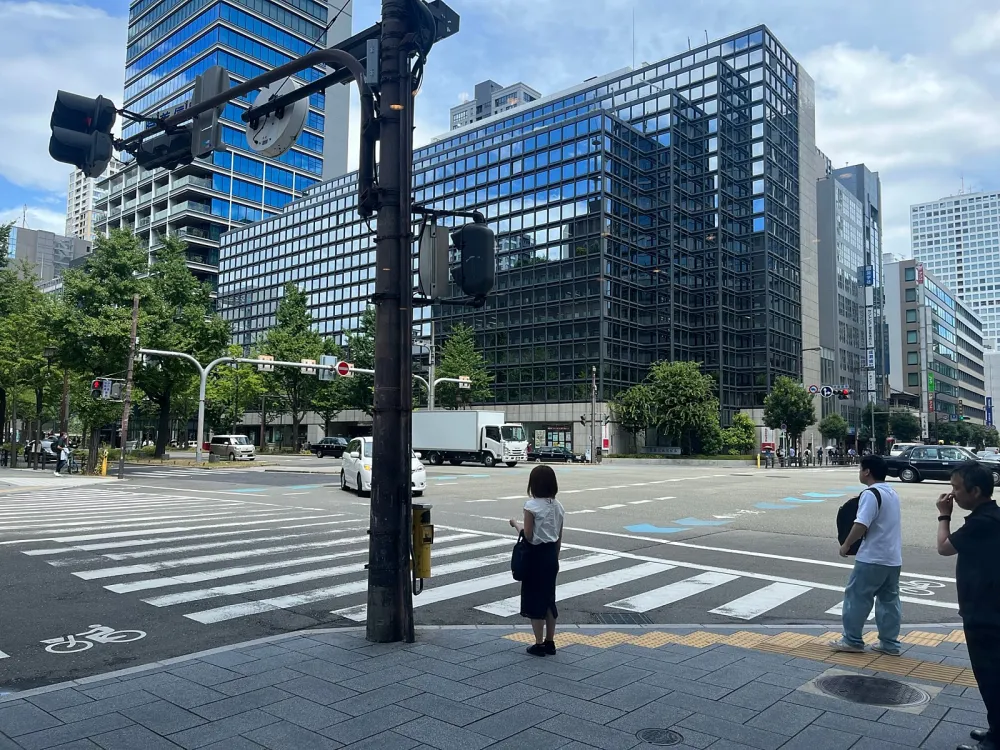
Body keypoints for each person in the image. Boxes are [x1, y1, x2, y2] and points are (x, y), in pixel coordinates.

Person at [936, 463, 1000, 750]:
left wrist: (943, 516)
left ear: (975, 491)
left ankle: (996, 739)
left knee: (990, 676)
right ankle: (995, 728)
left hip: (984, 612)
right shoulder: (993, 515)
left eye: (957, 488)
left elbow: (944, 547)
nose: (953, 494)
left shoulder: (980, 522)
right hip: (991, 607)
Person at [830, 453, 903, 655]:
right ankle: (890, 644)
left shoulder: (871, 494)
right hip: (893, 558)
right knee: (889, 601)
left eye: (860, 468)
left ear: (867, 471)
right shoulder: (891, 493)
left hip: (872, 557)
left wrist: (846, 545)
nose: (859, 472)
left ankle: (852, 640)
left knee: (857, 597)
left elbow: (861, 524)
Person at [509, 464, 564, 656]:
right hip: (550, 557)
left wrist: (516, 524)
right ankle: (550, 642)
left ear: (533, 485)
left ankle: (538, 644)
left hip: (535, 557)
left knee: (534, 598)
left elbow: (529, 536)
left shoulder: (531, 506)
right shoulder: (559, 507)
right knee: (549, 599)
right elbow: (558, 538)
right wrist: (554, 558)